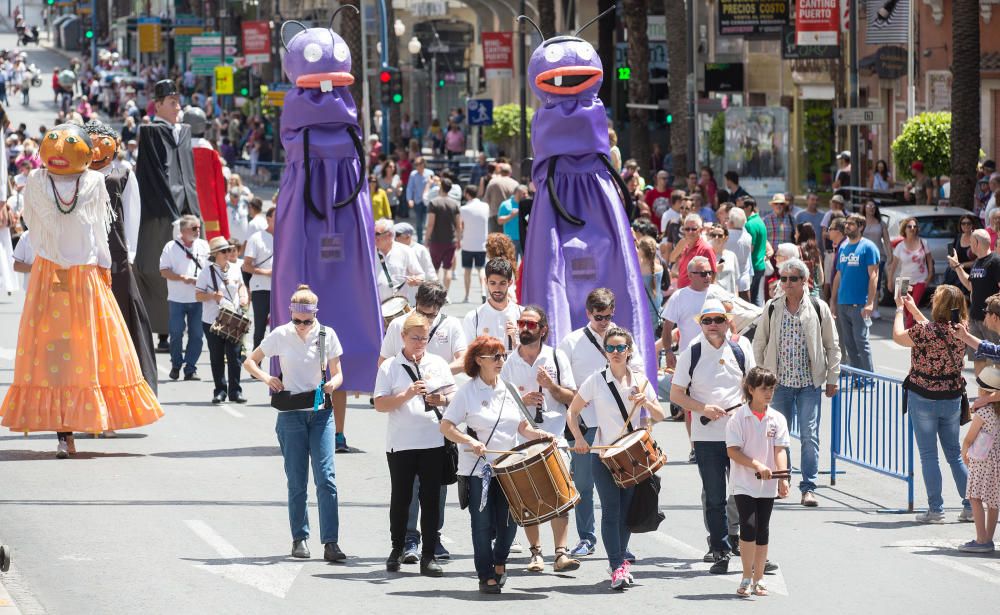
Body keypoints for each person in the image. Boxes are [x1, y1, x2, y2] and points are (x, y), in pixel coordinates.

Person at [0, 124, 163, 457]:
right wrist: (107, 266)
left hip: (55, 275)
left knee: (58, 353)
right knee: (86, 350)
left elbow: (40, 227)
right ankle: (79, 424)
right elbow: (98, 234)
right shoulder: (83, 183)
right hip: (80, 275)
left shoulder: (43, 182)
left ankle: (68, 430)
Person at [440, 335, 556, 594]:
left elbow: (522, 426)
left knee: (509, 522)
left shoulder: (509, 389)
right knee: (480, 524)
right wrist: (469, 440)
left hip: (509, 469)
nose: (501, 361)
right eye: (495, 356)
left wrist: (542, 435)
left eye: (503, 355)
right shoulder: (467, 392)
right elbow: (446, 426)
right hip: (477, 469)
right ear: (479, 360)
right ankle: (485, 574)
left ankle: (500, 560)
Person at [242, 284, 346, 562]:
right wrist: (267, 378)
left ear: (315, 314)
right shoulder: (281, 334)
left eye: (307, 321)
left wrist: (331, 386)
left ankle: (331, 542)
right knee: (297, 480)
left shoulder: (327, 335)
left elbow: (338, 374)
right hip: (291, 414)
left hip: (320, 411)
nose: (301, 326)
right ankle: (299, 538)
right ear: (291, 313)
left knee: (327, 479)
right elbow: (250, 362)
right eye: (297, 320)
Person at [567, 326, 666, 590]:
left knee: (626, 512)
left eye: (621, 347)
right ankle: (617, 564)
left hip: (632, 457)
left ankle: (619, 561)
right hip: (604, 456)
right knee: (611, 510)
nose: (616, 352)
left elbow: (659, 415)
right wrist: (578, 438)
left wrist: (645, 401)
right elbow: (573, 412)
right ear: (604, 352)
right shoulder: (596, 380)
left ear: (629, 350)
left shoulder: (640, 380)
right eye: (610, 348)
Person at [379, 281, 467, 561]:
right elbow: (384, 362)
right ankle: (407, 540)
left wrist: (435, 375)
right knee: (406, 489)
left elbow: (463, 362)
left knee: (435, 488)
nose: (426, 319)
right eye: (422, 312)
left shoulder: (451, 327)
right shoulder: (399, 326)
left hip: (437, 425)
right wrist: (408, 385)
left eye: (432, 315)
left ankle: (433, 539)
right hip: (404, 431)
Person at [671, 299, 756, 573]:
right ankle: (719, 549)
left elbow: (752, 385)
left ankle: (750, 547)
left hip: (739, 434)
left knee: (746, 492)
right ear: (700, 323)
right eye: (706, 320)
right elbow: (676, 395)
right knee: (715, 495)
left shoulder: (741, 347)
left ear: (727, 320)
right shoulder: (691, 353)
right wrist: (702, 408)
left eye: (717, 319)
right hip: (706, 435)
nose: (712, 325)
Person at [558, 289, 641, 558]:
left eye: (607, 316)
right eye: (598, 317)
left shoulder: (623, 339)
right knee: (583, 483)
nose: (604, 321)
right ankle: (586, 537)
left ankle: (620, 546)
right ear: (588, 314)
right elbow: (566, 386)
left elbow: (638, 372)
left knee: (621, 488)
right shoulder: (571, 342)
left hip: (618, 426)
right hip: (585, 423)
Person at [752, 258, 840, 507]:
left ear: (804, 281)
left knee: (810, 435)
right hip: (778, 385)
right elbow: (759, 343)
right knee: (780, 435)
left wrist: (832, 377)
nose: (787, 284)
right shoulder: (772, 307)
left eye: (793, 279)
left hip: (808, 385)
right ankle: (783, 480)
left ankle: (809, 487)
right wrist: (760, 376)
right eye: (783, 279)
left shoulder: (817, 307)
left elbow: (832, 346)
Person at [499, 306, 580, 573]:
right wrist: (521, 400)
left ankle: (561, 553)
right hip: (521, 439)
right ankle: (535, 553)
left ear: (543, 329)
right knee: (528, 497)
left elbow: (572, 398)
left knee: (560, 494)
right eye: (522, 323)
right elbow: (500, 403)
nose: (524, 328)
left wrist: (551, 386)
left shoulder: (556, 357)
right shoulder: (510, 362)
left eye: (531, 324)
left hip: (554, 436)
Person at [374, 312, 454, 577]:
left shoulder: (438, 363)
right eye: (415, 338)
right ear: (403, 337)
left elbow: (453, 395)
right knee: (401, 498)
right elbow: (380, 404)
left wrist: (441, 400)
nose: (420, 343)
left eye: (424, 338)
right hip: (401, 444)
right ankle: (397, 549)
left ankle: (429, 555)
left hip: (432, 442)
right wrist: (406, 394)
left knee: (431, 499)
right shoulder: (390, 367)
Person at [84, 120, 157, 395]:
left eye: (103, 141)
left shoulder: (123, 172)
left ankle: (128, 385)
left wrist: (132, 252)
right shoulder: (77, 172)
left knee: (122, 315)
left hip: (116, 251)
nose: (97, 148)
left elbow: (132, 212)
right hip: (84, 252)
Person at [893, 285, 973, 523]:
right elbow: (936, 331)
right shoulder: (961, 330)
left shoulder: (924, 332)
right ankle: (970, 505)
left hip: (923, 397)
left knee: (929, 456)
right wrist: (914, 310)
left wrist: (900, 311)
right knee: (954, 455)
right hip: (951, 397)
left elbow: (898, 336)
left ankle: (936, 508)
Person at [134, 80, 202, 352]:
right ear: (158, 104)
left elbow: (189, 172)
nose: (177, 107)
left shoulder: (184, 132)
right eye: (172, 102)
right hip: (162, 212)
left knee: (193, 268)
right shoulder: (150, 132)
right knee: (162, 269)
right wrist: (172, 212)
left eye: (178, 101)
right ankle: (163, 330)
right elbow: (153, 176)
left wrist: (192, 210)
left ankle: (191, 327)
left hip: (187, 208)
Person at [726, 367, 790, 597]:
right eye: (763, 388)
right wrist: (756, 465)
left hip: (768, 484)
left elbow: (779, 450)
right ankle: (746, 576)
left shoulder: (777, 419)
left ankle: (759, 579)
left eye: (772, 388)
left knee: (763, 529)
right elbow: (733, 451)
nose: (769, 393)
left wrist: (783, 477)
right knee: (749, 525)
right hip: (744, 482)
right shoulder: (738, 418)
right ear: (750, 389)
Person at [195, 236, 248, 403]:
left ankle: (235, 392)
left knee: (235, 356)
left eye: (229, 250)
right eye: (224, 251)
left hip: (233, 318)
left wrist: (243, 296)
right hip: (213, 320)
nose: (228, 253)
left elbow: (240, 286)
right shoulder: (206, 271)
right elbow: (198, 295)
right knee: (216, 357)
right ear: (216, 254)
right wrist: (212, 296)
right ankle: (219, 391)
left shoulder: (234, 268)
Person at [159, 215, 209, 381]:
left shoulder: (203, 245)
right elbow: (163, 271)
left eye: (199, 227)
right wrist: (183, 278)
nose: (198, 231)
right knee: (176, 333)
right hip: (177, 299)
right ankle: (176, 364)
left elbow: (210, 268)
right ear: (183, 231)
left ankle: (190, 368)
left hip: (198, 298)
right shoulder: (171, 247)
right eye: (194, 228)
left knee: (196, 335)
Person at [958, 366, 1000, 553]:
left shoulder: (984, 412)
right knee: (993, 500)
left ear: (984, 391)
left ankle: (981, 539)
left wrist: (964, 451)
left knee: (975, 497)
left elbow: (970, 437)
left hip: (982, 460)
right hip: (997, 461)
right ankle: (989, 538)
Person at [947, 228, 1000, 375]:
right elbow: (970, 285)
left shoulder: (995, 261)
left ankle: (995, 396)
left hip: (991, 320)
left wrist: (995, 313)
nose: (970, 247)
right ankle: (982, 394)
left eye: (971, 243)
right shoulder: (978, 262)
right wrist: (957, 266)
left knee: (997, 359)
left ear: (977, 242)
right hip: (975, 317)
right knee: (978, 358)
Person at [661, 256, 730, 368]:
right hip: (690, 359)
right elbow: (667, 328)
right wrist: (668, 352)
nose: (708, 277)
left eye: (710, 272)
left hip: (718, 357)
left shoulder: (718, 291)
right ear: (690, 275)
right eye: (703, 274)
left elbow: (731, 322)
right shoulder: (679, 296)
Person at [831, 214, 878, 375]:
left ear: (861, 227)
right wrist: (833, 301)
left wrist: (870, 302)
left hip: (860, 303)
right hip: (843, 302)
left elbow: (873, 276)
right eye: (846, 224)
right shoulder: (843, 246)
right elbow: (838, 275)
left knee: (861, 342)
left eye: (851, 224)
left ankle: (869, 377)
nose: (847, 226)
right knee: (849, 343)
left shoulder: (868, 247)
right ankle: (857, 377)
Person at [463, 258, 522, 349]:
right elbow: (467, 355)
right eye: (493, 283)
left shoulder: (522, 314)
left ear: (510, 283)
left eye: (502, 283)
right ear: (486, 282)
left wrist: (516, 340)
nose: (497, 289)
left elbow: (532, 356)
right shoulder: (473, 318)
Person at [242, 205, 275, 350]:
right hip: (261, 288)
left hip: (280, 289)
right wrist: (266, 273)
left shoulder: (287, 237)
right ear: (268, 219)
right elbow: (246, 266)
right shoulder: (256, 238)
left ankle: (279, 370)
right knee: (260, 328)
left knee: (281, 329)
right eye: (277, 216)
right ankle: (256, 365)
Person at [374, 219, 424, 303]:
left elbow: (420, 275)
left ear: (389, 235)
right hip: (376, 307)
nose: (373, 237)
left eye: (377, 234)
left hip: (400, 306)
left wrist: (415, 280)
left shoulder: (405, 251)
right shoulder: (368, 253)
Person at [425, 177, 461, 289]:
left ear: (440, 187)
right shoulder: (455, 204)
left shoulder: (434, 203)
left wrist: (427, 238)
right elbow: (458, 225)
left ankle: (436, 293)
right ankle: (445, 294)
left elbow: (430, 224)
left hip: (436, 240)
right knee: (448, 269)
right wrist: (459, 239)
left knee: (435, 269)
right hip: (450, 240)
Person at [861, 200, 893, 319]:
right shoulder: (860, 221)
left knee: (876, 282)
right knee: (864, 282)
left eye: (874, 207)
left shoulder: (881, 223)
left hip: (878, 256)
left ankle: (875, 309)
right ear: (864, 207)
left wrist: (890, 256)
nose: (871, 209)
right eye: (869, 206)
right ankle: (864, 306)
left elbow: (887, 240)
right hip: (862, 256)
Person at [459, 184, 489, 303]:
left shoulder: (463, 209)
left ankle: (467, 296)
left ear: (467, 194)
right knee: (481, 269)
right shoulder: (485, 206)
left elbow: (461, 226)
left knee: (467, 270)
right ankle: (482, 291)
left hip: (467, 243)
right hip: (481, 244)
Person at [741, 198, 768, 305]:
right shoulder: (760, 221)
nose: (741, 210)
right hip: (760, 265)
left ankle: (758, 321)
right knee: (755, 296)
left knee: (751, 299)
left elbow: (750, 248)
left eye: (742, 207)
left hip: (754, 266)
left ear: (748, 207)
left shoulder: (750, 224)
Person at [484, 162, 519, 233]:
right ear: (510, 172)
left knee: (495, 241)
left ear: (500, 172)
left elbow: (486, 200)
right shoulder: (515, 184)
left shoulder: (493, 182)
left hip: (495, 216)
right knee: (509, 241)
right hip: (511, 216)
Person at [708, 224, 741, 296]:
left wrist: (736, 297)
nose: (716, 238)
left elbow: (735, 282)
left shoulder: (731, 256)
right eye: (714, 235)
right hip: (714, 299)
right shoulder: (706, 256)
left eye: (720, 236)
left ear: (726, 238)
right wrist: (715, 270)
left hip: (731, 299)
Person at [637, 236, 664, 322]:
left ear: (642, 252)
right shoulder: (660, 268)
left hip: (643, 313)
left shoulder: (638, 270)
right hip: (657, 310)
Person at [947, 214, 978, 290]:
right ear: (960, 225)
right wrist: (951, 262)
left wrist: (962, 265)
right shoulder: (958, 236)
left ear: (973, 224)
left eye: (969, 223)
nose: (966, 225)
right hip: (955, 274)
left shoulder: (977, 238)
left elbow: (979, 260)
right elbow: (951, 252)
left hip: (970, 275)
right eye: (963, 223)